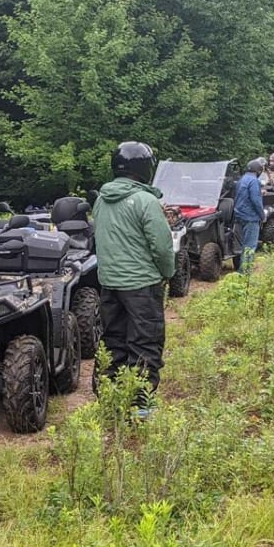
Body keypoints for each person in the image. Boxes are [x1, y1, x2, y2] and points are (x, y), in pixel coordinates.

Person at [93, 141, 175, 404]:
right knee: (145, 343)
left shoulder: (101, 201)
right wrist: (168, 272)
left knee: (113, 341)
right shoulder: (145, 200)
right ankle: (139, 407)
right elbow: (162, 247)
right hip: (142, 286)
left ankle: (108, 399)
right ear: (145, 168)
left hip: (110, 285)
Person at [233, 157, 266, 274]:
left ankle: (240, 270)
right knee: (249, 247)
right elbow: (256, 200)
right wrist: (262, 215)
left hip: (239, 216)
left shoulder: (242, 179)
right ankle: (245, 273)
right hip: (251, 218)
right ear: (258, 171)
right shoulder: (254, 181)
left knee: (242, 245)